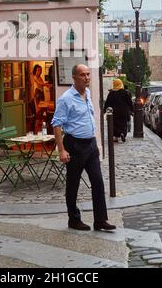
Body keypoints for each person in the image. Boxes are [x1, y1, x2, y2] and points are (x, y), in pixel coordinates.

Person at [52, 64, 116, 232]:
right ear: (74, 77)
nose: (87, 77)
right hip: (74, 145)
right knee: (73, 184)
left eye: (88, 74)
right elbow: (57, 124)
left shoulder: (87, 93)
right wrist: (61, 150)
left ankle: (100, 220)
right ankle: (73, 219)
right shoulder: (65, 99)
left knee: (98, 182)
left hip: (91, 144)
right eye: (83, 75)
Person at [104, 79, 133, 143]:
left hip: (114, 112)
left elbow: (107, 103)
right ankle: (122, 133)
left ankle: (116, 137)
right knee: (123, 124)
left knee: (115, 125)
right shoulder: (125, 92)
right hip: (123, 112)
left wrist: (104, 111)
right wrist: (132, 110)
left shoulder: (111, 93)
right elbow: (129, 102)